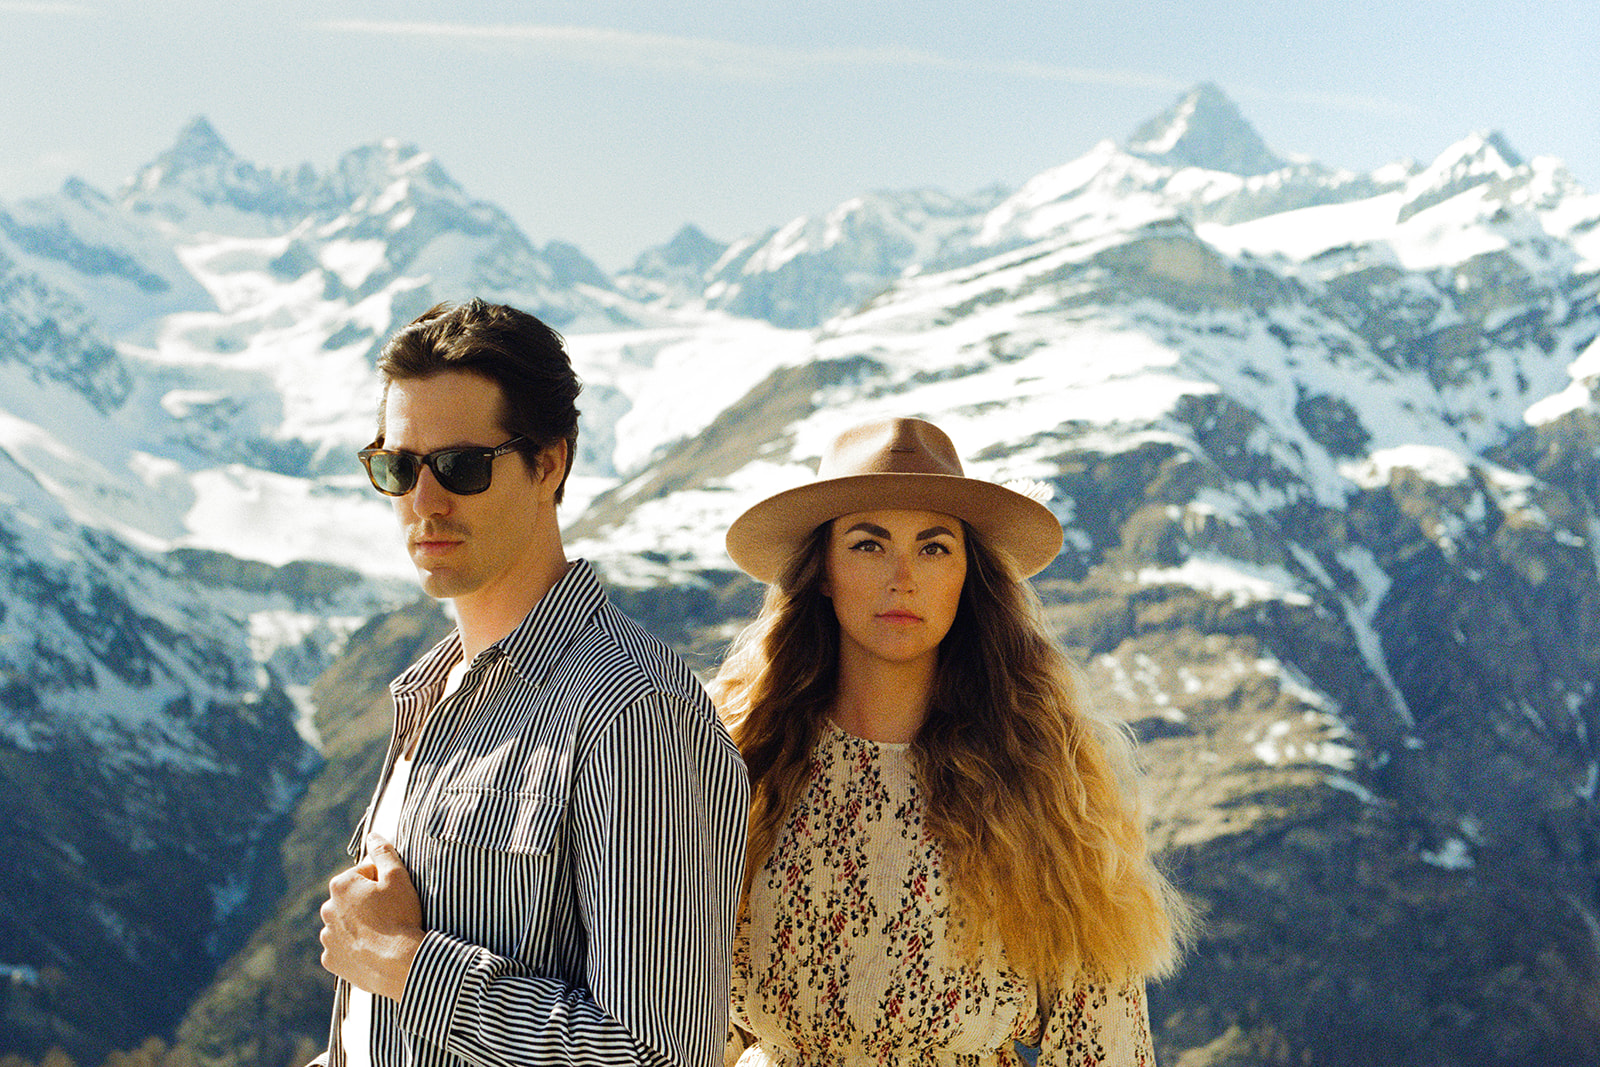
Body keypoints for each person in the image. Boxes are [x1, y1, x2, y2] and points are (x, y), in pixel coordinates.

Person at [316, 299, 749, 1067]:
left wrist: (406, 964)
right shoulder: (434, 691)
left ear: (549, 463)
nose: (423, 502)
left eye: (460, 466)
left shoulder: (629, 710)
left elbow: (656, 1053)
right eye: (398, 468)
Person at [711, 417, 1192, 1066]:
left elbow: (1103, 1044)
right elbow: (680, 1015)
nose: (903, 576)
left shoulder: (1040, 779)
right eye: (868, 545)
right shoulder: (739, 761)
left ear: (968, 574)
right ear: (822, 570)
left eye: (934, 548)